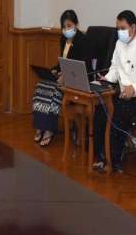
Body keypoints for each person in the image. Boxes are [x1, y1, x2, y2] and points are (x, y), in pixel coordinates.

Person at [92, 11, 136, 172]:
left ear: (133, 28)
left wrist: (135, 88)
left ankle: (113, 161)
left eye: (123, 28)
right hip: (124, 95)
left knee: (117, 111)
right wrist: (104, 79)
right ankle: (101, 157)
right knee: (101, 108)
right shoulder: (119, 44)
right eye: (117, 28)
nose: (120, 32)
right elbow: (114, 69)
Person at [32, 10, 92, 147]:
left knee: (53, 90)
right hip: (64, 77)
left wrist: (66, 76)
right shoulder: (63, 39)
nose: (66, 30)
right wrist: (55, 70)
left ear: (76, 24)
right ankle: (40, 126)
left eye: (69, 26)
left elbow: (83, 67)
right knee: (41, 86)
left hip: (78, 80)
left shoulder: (84, 41)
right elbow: (63, 62)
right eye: (64, 27)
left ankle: (49, 129)